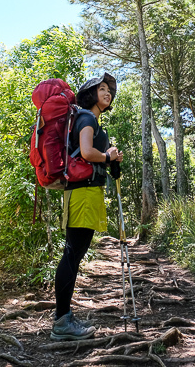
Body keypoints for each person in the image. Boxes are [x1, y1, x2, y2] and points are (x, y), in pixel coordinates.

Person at [51, 72, 123, 341]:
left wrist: (109, 159)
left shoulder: (89, 119)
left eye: (110, 90)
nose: (108, 93)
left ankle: (63, 318)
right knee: (73, 254)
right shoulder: (86, 117)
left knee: (74, 253)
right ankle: (61, 322)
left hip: (85, 192)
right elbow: (85, 152)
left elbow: (94, 156)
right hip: (82, 193)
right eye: (102, 89)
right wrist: (106, 155)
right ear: (91, 94)